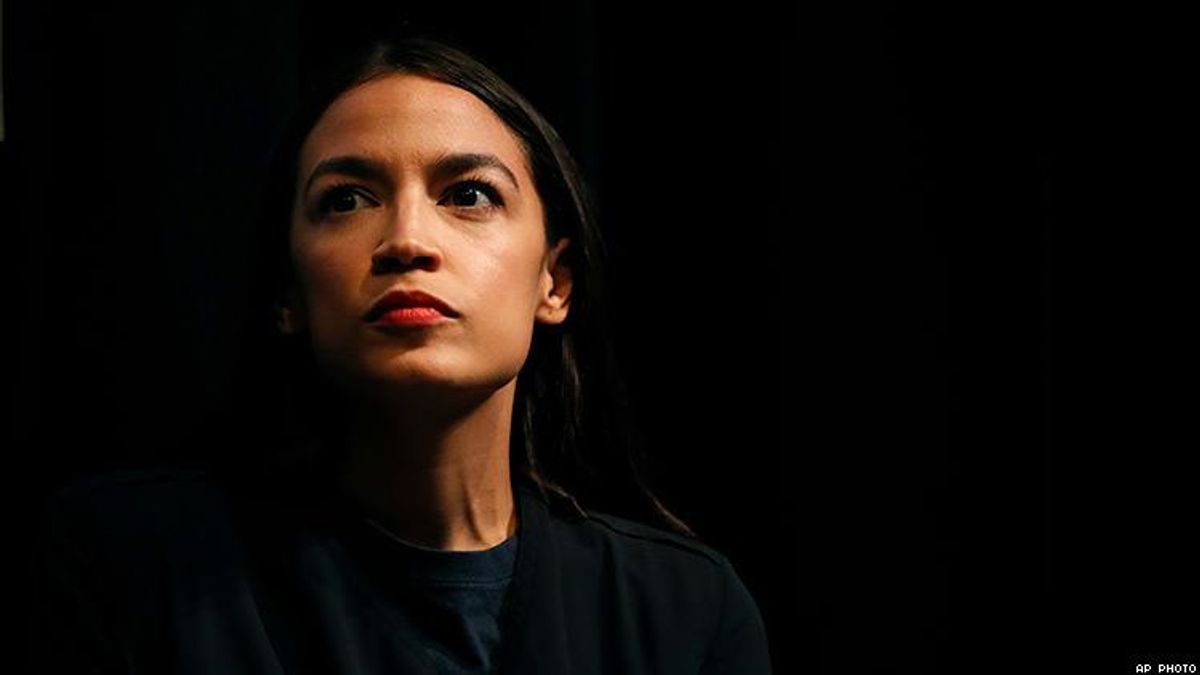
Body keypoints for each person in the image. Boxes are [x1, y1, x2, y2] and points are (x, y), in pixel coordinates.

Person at [25, 32, 773, 674]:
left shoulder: (686, 612)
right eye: (346, 199)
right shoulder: (126, 566)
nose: (407, 240)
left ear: (555, 282)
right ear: (288, 292)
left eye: (469, 194)